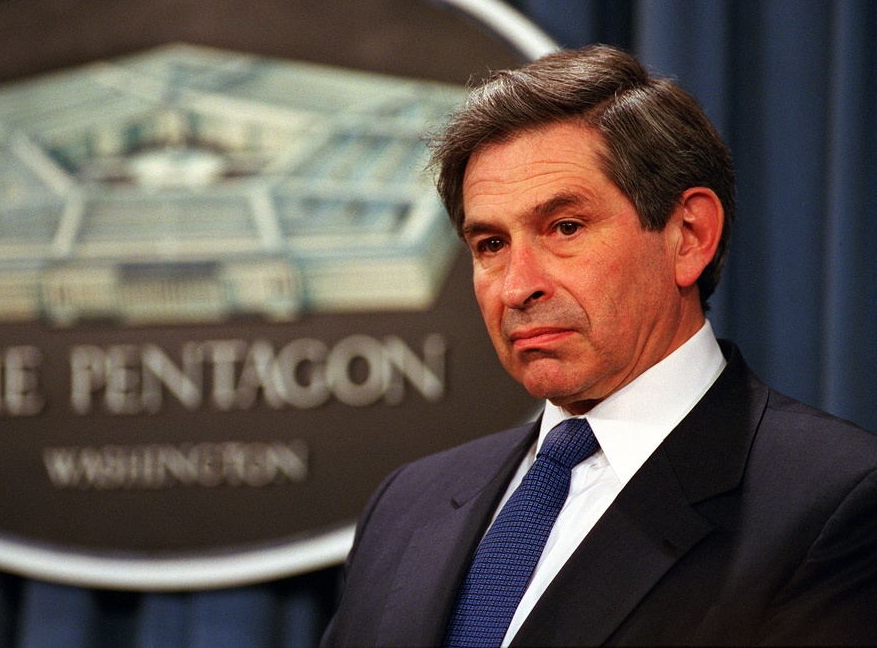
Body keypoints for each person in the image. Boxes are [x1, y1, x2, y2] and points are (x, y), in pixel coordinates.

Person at [320, 45, 877, 647]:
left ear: (688, 236)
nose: (516, 286)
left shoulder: (835, 504)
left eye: (565, 228)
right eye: (489, 244)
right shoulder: (406, 507)